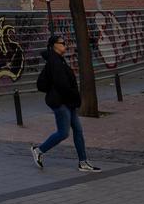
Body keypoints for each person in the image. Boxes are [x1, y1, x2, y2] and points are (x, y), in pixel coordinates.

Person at [31, 34, 101, 172]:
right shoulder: (55, 61)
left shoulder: (58, 59)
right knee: (63, 133)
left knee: (78, 130)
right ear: (54, 46)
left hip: (68, 101)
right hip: (61, 102)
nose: (65, 45)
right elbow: (61, 84)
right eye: (62, 43)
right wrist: (74, 96)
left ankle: (83, 162)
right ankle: (38, 150)